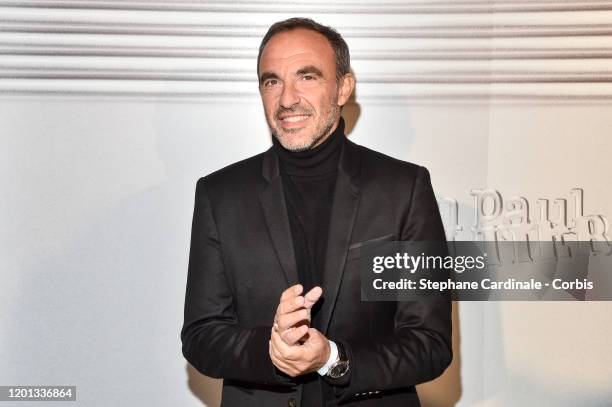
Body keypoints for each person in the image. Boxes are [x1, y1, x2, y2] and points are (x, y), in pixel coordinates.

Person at [181, 17, 452, 407]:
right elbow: (201, 336)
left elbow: (429, 343)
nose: (287, 98)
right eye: (272, 81)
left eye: (307, 77)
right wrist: (271, 351)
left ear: (343, 87)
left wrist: (334, 360)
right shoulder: (220, 194)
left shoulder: (402, 189)